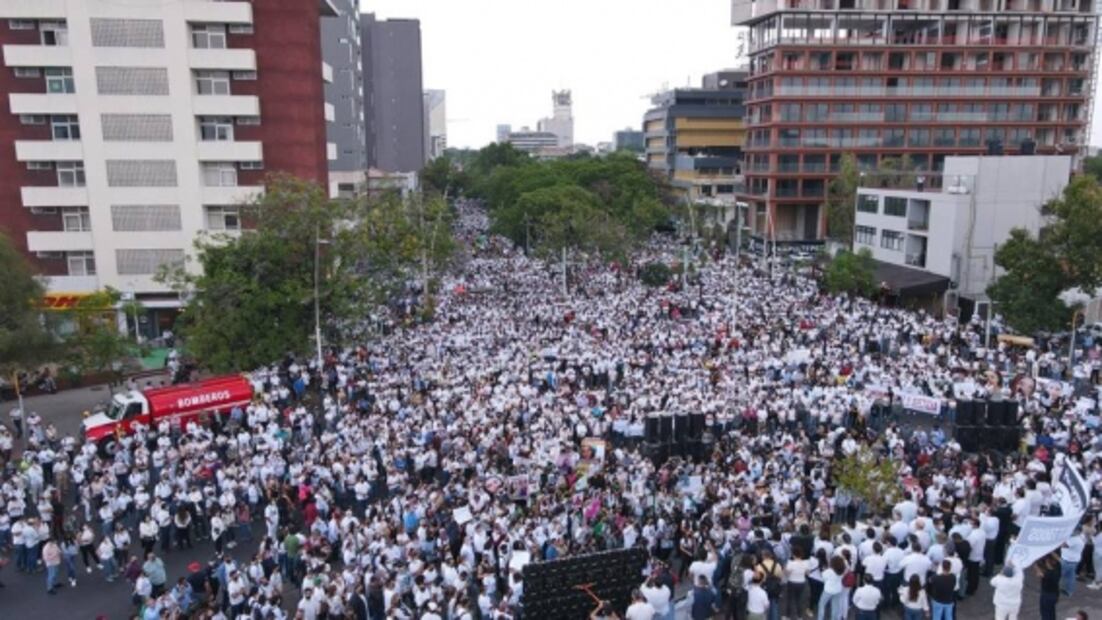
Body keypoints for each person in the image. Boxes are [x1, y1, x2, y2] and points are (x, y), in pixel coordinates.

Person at [1038, 553, 1062, 620]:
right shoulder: (1058, 568)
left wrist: (1035, 566)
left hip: (1046, 595)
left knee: (1045, 614)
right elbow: (1059, 560)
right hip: (1055, 594)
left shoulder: (1047, 574)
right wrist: (1052, 552)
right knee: (1051, 612)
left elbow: (1039, 573)